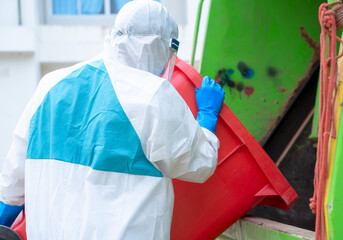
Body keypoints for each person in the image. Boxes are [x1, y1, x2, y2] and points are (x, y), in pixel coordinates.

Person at [0, 1, 224, 239]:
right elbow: (200, 164)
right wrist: (207, 115)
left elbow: (12, 189)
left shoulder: (49, 86)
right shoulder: (152, 95)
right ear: (161, 46)